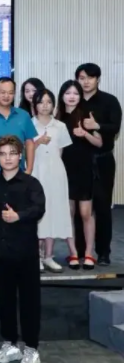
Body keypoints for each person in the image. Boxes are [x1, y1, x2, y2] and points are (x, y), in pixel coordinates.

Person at [0, 136, 46, 363]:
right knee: (4, 301)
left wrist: (18, 216)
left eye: (12, 153)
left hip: (25, 253)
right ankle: (9, 345)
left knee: (30, 302)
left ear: (20, 156)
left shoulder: (31, 183)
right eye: (3, 154)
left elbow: (39, 209)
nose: (8, 158)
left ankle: (31, 348)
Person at [74, 63, 122, 266]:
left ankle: (103, 252)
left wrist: (97, 126)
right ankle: (81, 252)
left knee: (102, 207)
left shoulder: (109, 100)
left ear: (98, 79)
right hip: (78, 162)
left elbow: (115, 127)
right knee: (79, 209)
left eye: (90, 77)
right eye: (82, 78)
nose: (86, 82)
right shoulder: (73, 100)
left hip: (102, 161)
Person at [55, 80, 102, 270]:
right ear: (62, 96)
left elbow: (99, 143)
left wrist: (86, 134)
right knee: (68, 214)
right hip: (63, 171)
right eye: (68, 93)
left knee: (85, 213)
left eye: (75, 93)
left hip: (84, 170)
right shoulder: (57, 118)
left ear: (80, 96)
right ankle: (73, 253)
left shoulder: (87, 116)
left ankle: (89, 253)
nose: (72, 97)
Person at [30, 89, 76, 272]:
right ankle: (36, 256)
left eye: (49, 102)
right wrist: (38, 142)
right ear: (35, 105)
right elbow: (25, 150)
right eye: (41, 102)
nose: (45, 106)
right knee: (37, 212)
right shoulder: (29, 124)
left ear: (54, 105)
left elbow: (61, 151)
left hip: (56, 172)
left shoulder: (60, 126)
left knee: (53, 212)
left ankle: (49, 256)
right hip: (36, 171)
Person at [0, 78, 38, 181]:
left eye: (10, 93)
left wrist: (29, 169)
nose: (6, 96)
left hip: (18, 174)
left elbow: (29, 143)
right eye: (3, 92)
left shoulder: (23, 115)